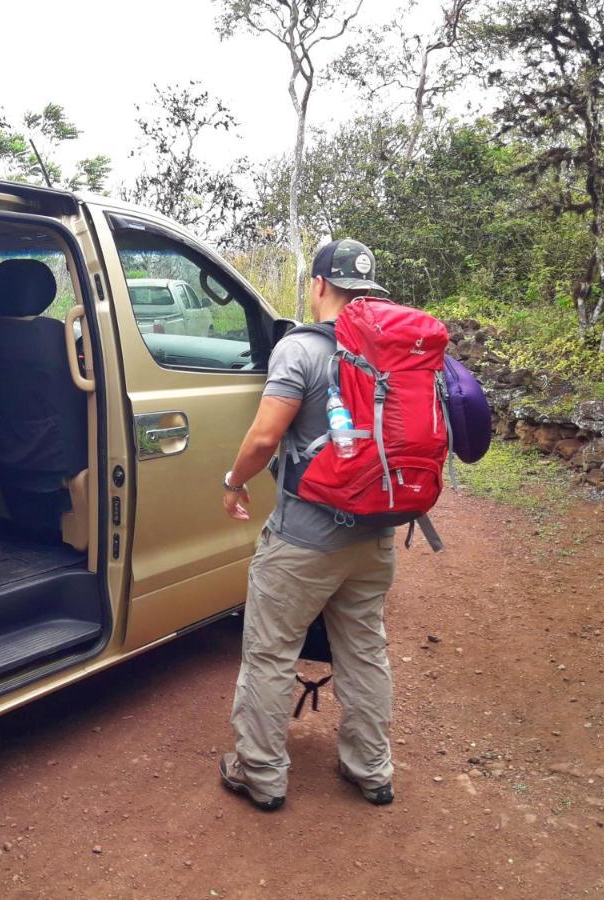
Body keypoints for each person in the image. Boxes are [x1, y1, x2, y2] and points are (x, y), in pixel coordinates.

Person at [218, 239, 398, 810]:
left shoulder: (300, 350)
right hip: (376, 534)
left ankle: (261, 775)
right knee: (364, 649)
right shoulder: (398, 346)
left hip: (305, 537)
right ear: (368, 288)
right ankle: (371, 770)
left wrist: (234, 480)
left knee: (271, 653)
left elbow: (267, 436)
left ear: (319, 285)